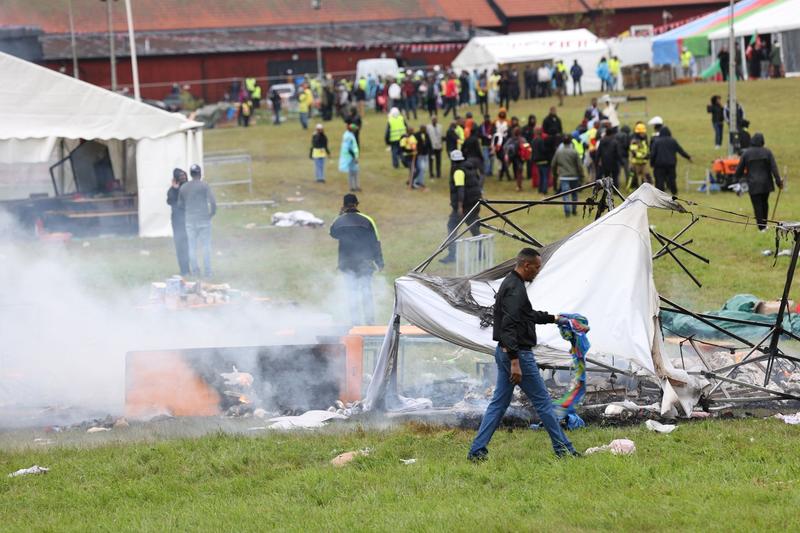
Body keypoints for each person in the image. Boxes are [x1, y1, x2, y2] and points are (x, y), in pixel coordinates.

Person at [467, 248, 578, 461]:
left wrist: (555, 318)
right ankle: (564, 450)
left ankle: (477, 451)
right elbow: (508, 327)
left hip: (505, 351)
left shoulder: (512, 283)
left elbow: (526, 315)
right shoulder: (515, 289)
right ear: (526, 265)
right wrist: (515, 362)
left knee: (498, 404)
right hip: (517, 355)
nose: (537, 272)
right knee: (544, 403)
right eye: (536, 267)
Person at [330, 194, 384, 326]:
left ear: (343, 205)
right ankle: (370, 324)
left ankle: (355, 324)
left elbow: (332, 233)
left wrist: (340, 215)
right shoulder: (367, 220)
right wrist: (379, 261)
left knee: (351, 294)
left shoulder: (339, 221)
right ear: (357, 204)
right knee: (366, 293)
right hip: (365, 263)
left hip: (347, 264)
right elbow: (375, 242)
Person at [735, 133, 783, 232]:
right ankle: (764, 225)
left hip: (753, 184)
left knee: (757, 205)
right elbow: (774, 168)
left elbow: (739, 170)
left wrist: (741, 179)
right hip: (766, 184)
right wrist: (778, 182)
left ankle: (761, 227)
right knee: (765, 203)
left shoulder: (747, 153)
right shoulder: (767, 152)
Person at [440, 150, 481, 264]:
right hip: (474, 202)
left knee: (451, 226)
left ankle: (452, 255)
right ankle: (481, 254)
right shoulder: (469, 167)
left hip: (465, 205)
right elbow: (478, 182)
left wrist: (459, 206)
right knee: (474, 228)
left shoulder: (458, 171)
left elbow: (460, 189)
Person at [177, 164, 216, 278]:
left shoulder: (184, 187)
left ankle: (195, 272)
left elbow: (180, 205)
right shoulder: (204, 185)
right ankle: (208, 273)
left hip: (190, 221)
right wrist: (211, 214)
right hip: (204, 220)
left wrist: (188, 210)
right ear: (200, 173)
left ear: (190, 174)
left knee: (192, 247)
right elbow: (212, 202)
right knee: (206, 247)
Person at [650, 126, 691, 195]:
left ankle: (660, 195)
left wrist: (652, 163)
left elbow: (653, 154)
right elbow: (680, 150)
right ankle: (674, 193)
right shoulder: (673, 141)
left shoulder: (657, 141)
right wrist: (688, 157)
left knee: (660, 180)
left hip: (659, 165)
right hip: (671, 164)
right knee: (672, 179)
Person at [551, 136, 585, 217]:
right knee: (574, 194)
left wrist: (555, 174)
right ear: (570, 143)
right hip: (574, 176)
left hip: (563, 176)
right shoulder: (574, 152)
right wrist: (582, 175)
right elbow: (579, 166)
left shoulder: (558, 152)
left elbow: (553, 164)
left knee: (565, 195)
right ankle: (574, 210)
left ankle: (567, 212)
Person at [166, 168, 190, 276]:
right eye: (181, 177)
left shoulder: (190, 188)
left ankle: (193, 269)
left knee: (191, 246)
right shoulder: (172, 191)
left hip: (190, 221)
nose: (183, 178)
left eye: (184, 176)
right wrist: (175, 189)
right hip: (178, 223)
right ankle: (184, 270)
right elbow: (171, 201)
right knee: (181, 247)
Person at [628, 122, 651, 188]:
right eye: (642, 132)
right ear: (638, 133)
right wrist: (644, 156)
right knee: (635, 179)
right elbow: (634, 152)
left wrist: (648, 154)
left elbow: (646, 149)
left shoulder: (644, 139)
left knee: (646, 178)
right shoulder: (634, 141)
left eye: (644, 132)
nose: (643, 134)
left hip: (643, 163)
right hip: (636, 163)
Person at [339, 123, 360, 192]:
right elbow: (349, 148)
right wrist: (354, 157)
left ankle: (353, 187)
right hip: (350, 157)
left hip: (348, 156)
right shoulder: (349, 137)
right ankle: (355, 187)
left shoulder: (347, 135)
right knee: (354, 172)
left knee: (352, 172)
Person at [414, 125, 432, 189]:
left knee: (425, 168)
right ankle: (419, 182)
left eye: (425, 129)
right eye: (424, 129)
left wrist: (431, 153)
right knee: (421, 168)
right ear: (420, 129)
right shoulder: (416, 135)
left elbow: (430, 143)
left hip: (426, 154)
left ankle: (420, 180)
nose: (425, 130)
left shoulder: (427, 134)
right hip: (419, 155)